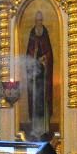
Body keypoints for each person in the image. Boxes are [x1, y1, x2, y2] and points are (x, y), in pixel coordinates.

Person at [24, 10, 54, 139]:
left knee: (43, 101)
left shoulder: (45, 33)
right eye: (37, 21)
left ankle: (44, 128)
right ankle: (35, 128)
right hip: (35, 76)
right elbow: (28, 55)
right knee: (35, 100)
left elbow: (50, 54)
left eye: (41, 20)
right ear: (35, 21)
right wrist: (36, 59)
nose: (39, 23)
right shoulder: (32, 34)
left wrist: (45, 59)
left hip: (44, 75)